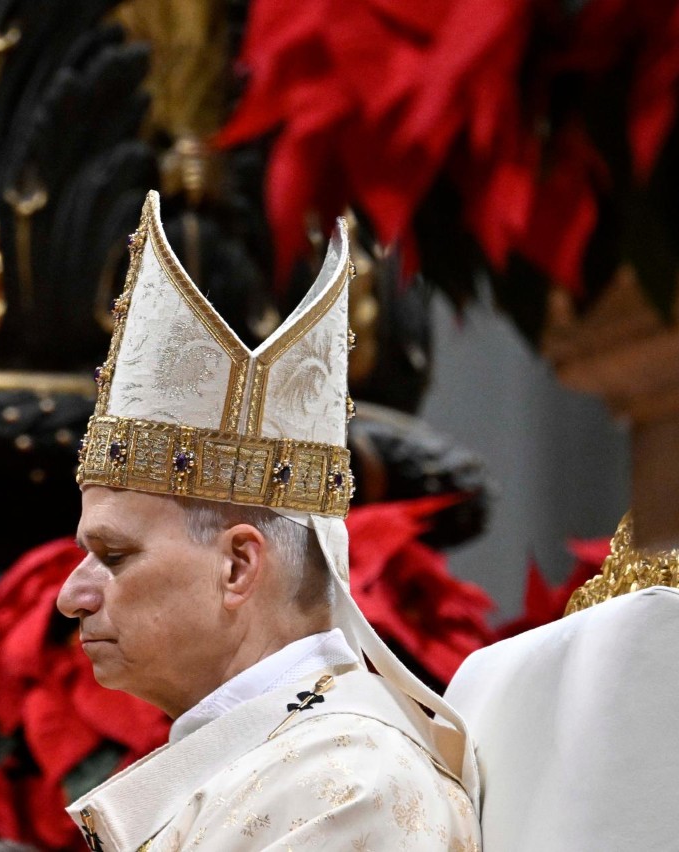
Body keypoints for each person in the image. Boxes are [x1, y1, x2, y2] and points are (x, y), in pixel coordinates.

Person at [55, 191, 481, 851]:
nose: (70, 596)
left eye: (114, 556)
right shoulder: (266, 766)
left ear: (237, 565)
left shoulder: (347, 787)